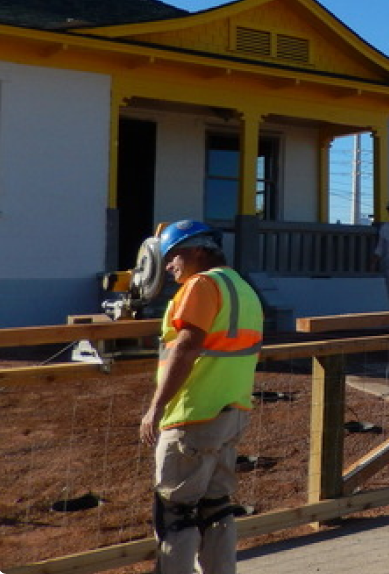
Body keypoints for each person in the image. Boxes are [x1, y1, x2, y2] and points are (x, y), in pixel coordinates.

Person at [139, 220, 263, 574]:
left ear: (197, 250)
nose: (167, 266)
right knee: (217, 508)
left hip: (193, 415)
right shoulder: (241, 286)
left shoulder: (201, 285)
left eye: (172, 255)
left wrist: (156, 408)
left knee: (175, 511)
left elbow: (187, 347)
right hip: (231, 412)